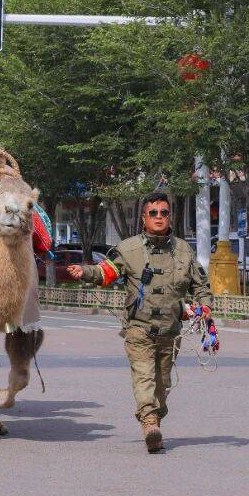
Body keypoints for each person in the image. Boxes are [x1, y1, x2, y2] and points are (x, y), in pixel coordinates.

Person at [67, 192, 213, 454]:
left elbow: (200, 285)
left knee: (162, 383)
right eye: (153, 213)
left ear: (170, 217)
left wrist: (205, 306)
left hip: (170, 332)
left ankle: (155, 416)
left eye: (164, 213)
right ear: (144, 218)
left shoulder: (183, 250)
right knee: (144, 377)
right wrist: (85, 272)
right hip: (139, 329)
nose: (159, 217)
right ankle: (149, 423)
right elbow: (106, 271)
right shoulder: (129, 248)